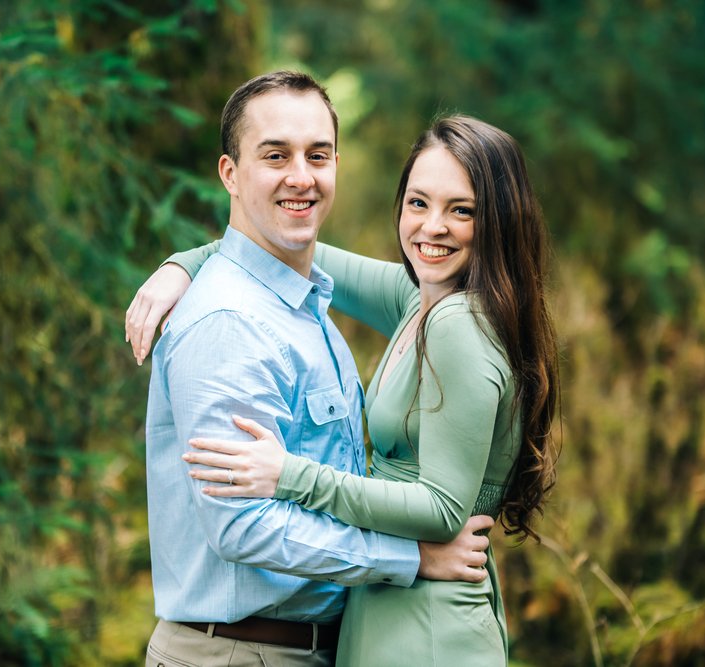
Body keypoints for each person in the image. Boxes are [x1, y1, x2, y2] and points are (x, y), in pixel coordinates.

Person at [128, 114, 560, 665]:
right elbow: (276, 246)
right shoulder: (421, 298)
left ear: (500, 221)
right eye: (418, 203)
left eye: (462, 210)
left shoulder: (456, 323)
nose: (432, 227)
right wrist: (184, 265)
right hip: (392, 609)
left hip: (425, 625)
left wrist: (290, 475)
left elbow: (442, 511)